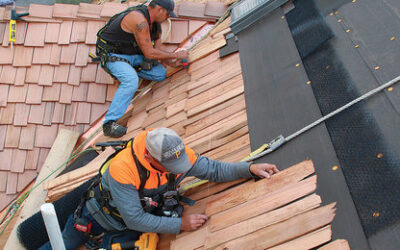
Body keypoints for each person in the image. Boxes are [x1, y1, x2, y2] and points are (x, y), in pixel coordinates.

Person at [39, 127, 279, 249]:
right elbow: (134, 219)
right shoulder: (124, 169)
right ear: (148, 156)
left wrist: (248, 169)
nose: (177, 170)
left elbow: (213, 170)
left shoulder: (174, 150)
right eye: (170, 167)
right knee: (65, 243)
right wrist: (180, 225)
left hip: (136, 222)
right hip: (99, 219)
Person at [96, 0, 189, 138]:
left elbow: (157, 49)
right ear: (159, 9)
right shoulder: (139, 20)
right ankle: (109, 124)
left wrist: (172, 62)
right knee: (131, 80)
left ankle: (131, 69)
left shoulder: (155, 25)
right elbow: (150, 53)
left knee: (160, 74)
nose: (168, 17)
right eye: (167, 14)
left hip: (133, 55)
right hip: (113, 56)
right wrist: (175, 55)